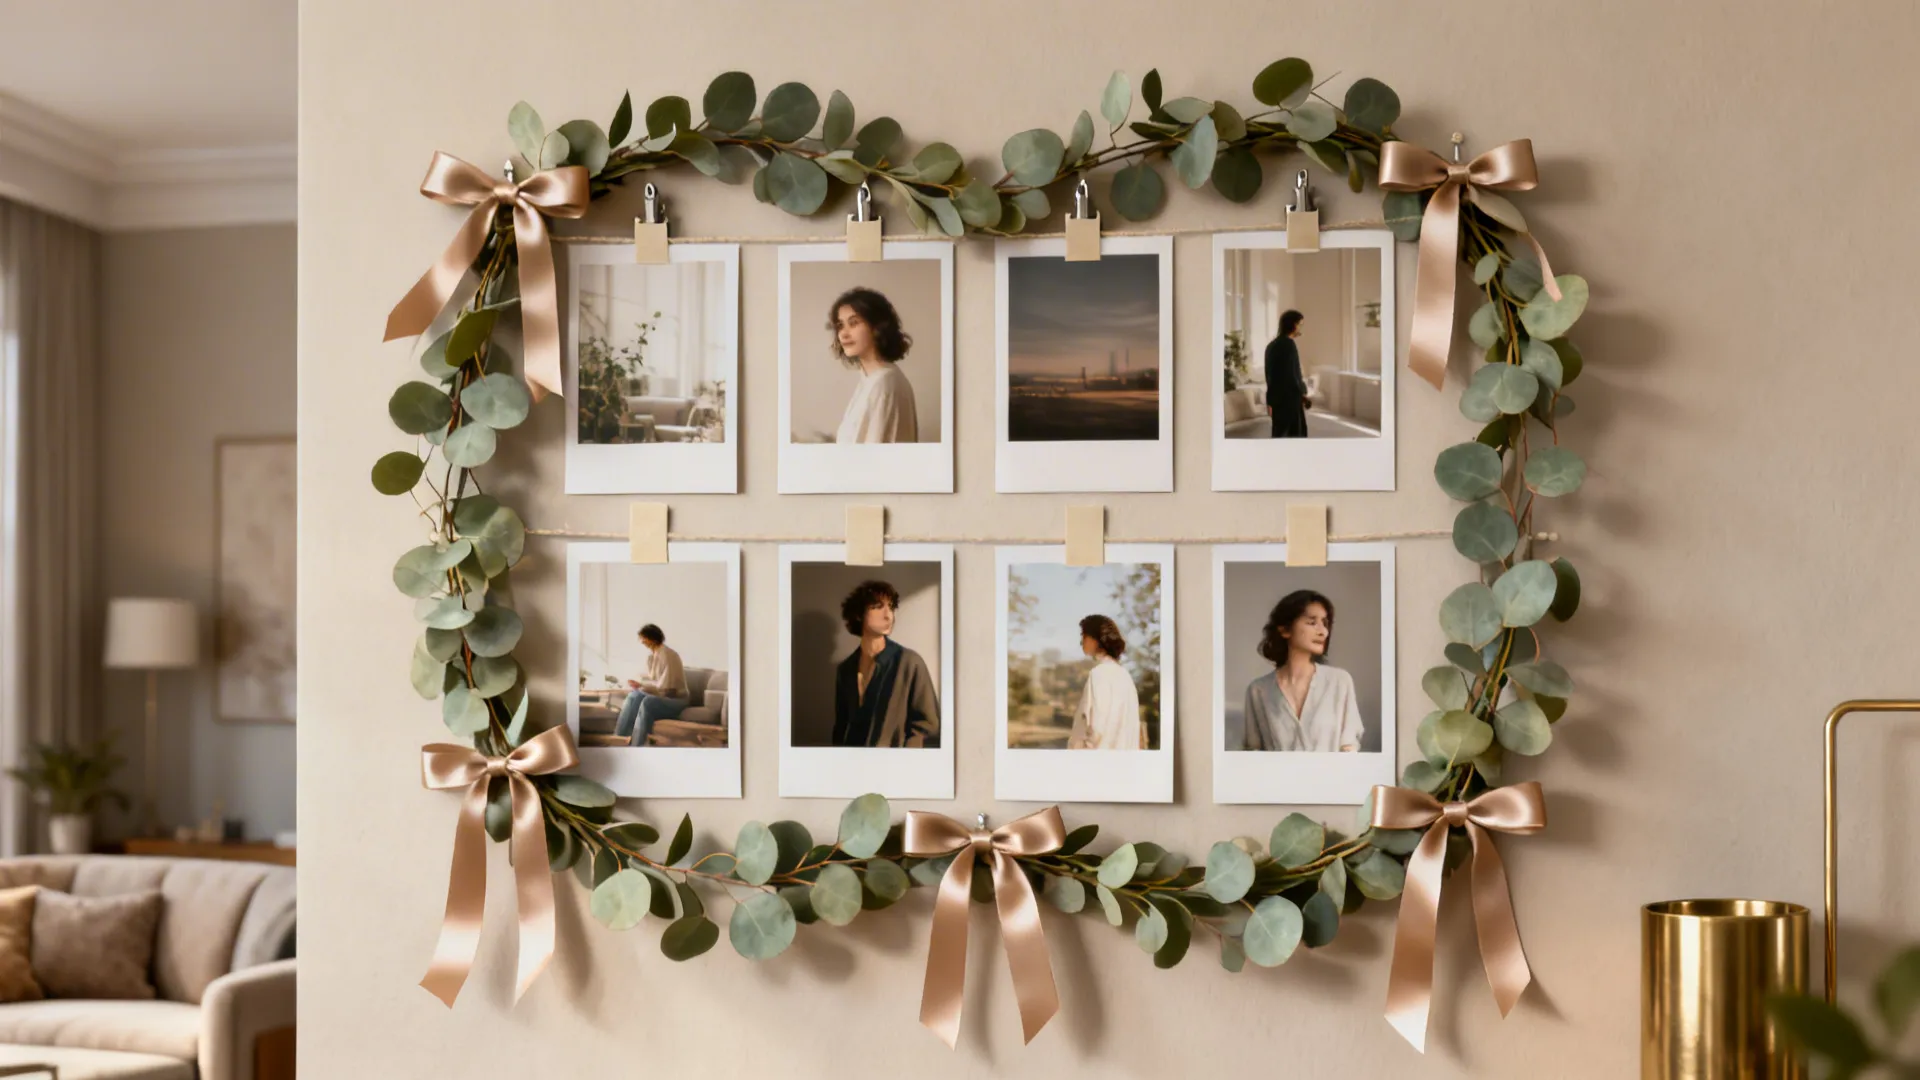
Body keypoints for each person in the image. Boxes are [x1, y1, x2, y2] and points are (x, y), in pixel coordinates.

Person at [1241, 590, 1364, 752]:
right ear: (1285, 630)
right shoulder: (1258, 691)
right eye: (1312, 622)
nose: (1323, 632)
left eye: (1325, 623)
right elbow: (1252, 754)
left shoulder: (1340, 681)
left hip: (1332, 777)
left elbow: (1349, 747)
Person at [832, 580, 940, 747]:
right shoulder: (845, 670)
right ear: (859, 614)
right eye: (877, 606)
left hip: (895, 768)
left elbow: (928, 727)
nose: (888, 615)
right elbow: (841, 728)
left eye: (890, 607)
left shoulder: (910, 663)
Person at [828, 287, 920, 444]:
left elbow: (870, 459)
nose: (843, 333)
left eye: (854, 323)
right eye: (841, 325)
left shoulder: (883, 384)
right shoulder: (871, 380)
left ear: (877, 327)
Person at [1067, 615, 1145, 750]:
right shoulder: (1125, 676)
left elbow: (1096, 729)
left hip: (1098, 763)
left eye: (1083, 636)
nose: (1081, 642)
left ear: (1096, 639)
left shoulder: (1099, 674)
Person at [613, 624, 689, 746]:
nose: (642, 641)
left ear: (653, 638)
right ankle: (620, 740)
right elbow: (653, 681)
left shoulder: (668, 655)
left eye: (644, 638)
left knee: (648, 702)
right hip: (663, 695)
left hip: (675, 699)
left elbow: (667, 689)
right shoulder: (652, 656)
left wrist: (643, 686)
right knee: (634, 696)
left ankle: (638, 745)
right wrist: (640, 686)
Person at [1264, 309, 1310, 439]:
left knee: (1279, 435)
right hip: (1290, 402)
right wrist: (1303, 393)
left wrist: (1270, 401)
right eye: (1300, 324)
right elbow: (1293, 375)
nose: (1301, 327)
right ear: (1293, 325)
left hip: (1277, 401)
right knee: (1295, 437)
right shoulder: (1289, 345)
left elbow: (1269, 377)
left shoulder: (1271, 346)